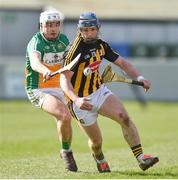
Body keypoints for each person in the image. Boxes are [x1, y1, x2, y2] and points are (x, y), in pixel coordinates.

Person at [60, 12, 159, 173]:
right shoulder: (74, 51)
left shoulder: (101, 45)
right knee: (97, 142)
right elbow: (63, 81)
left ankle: (141, 158)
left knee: (124, 118)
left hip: (99, 91)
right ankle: (99, 157)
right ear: (79, 30)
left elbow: (123, 63)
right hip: (80, 101)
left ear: (98, 29)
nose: (89, 33)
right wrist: (76, 100)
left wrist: (140, 77)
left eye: (92, 29)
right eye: (85, 30)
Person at [25, 9, 77, 172]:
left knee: (66, 120)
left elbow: (70, 61)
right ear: (41, 26)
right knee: (64, 115)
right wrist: (44, 70)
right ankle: (67, 152)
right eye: (48, 25)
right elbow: (34, 62)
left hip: (60, 86)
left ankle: (69, 149)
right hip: (39, 88)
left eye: (56, 25)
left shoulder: (63, 39)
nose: (52, 28)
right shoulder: (36, 42)